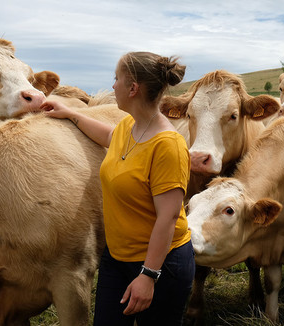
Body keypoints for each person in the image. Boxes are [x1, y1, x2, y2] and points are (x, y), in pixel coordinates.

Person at [40, 51, 195, 326]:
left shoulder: (167, 145)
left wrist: (148, 276)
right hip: (116, 256)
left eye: (116, 79)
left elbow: (168, 217)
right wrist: (72, 114)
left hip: (161, 264)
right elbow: (108, 136)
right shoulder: (129, 127)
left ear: (133, 88)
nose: (113, 86)